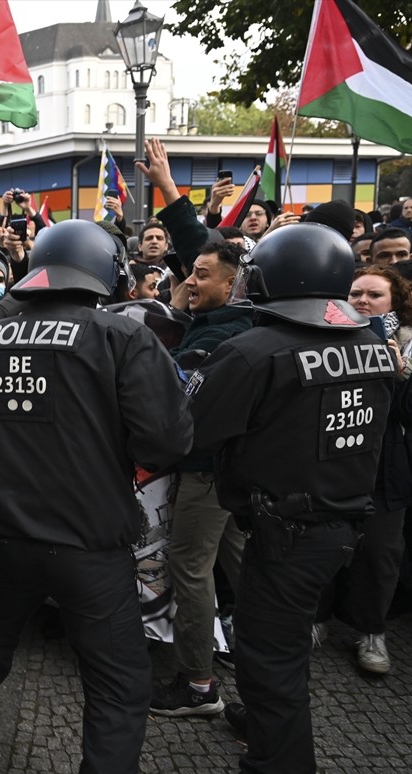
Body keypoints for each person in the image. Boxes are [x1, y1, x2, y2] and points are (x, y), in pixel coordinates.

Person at [0, 219, 193, 774]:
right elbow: (165, 442)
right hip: (92, 546)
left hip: (10, 539)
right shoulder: (124, 337)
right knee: (117, 683)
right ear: (106, 272)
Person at [185, 223, 398, 774]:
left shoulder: (253, 351)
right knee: (277, 642)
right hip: (340, 523)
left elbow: (190, 430)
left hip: (286, 530)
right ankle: (260, 721)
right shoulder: (373, 344)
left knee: (269, 657)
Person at [150, 241, 252, 718]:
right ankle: (262, 662)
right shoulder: (221, 323)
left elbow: (168, 388)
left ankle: (197, 685)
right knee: (242, 565)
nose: (191, 280)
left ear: (232, 285)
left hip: (206, 472)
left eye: (203, 275)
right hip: (229, 471)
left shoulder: (220, 336)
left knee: (190, 567)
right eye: (191, 271)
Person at [313, 266, 412, 673]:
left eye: (374, 295)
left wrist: (401, 372)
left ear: (396, 302)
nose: (362, 300)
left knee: (379, 555)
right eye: (355, 293)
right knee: (323, 548)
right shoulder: (325, 337)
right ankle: (317, 618)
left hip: (386, 470)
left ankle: (371, 630)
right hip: (334, 463)